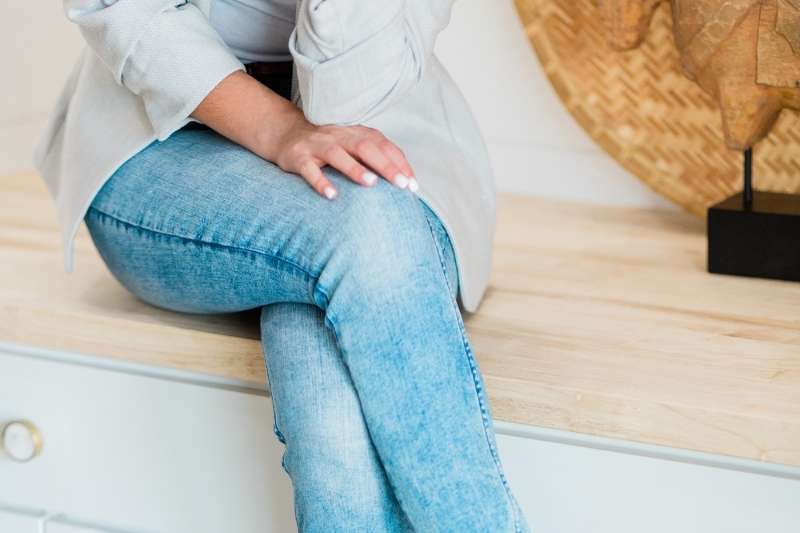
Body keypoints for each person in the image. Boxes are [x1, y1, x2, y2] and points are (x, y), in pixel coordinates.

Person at [35, 1, 531, 531]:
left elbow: (349, 97)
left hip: (374, 143)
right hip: (161, 150)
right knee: (368, 225)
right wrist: (277, 129)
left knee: (333, 416)